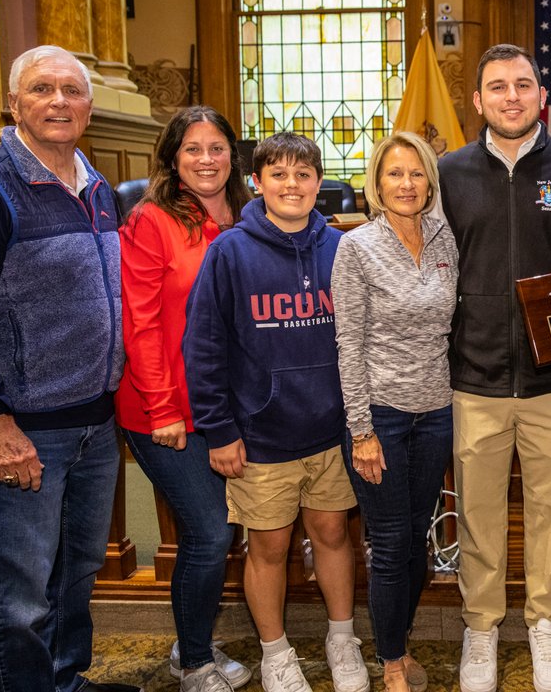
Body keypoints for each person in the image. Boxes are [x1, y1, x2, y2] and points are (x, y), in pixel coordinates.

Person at [0, 45, 139, 692]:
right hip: (23, 427)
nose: (58, 101)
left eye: (71, 90)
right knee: (18, 596)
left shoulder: (96, 183)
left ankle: (64, 682)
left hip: (91, 423)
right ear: (13, 102)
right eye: (40, 89)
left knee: (74, 576)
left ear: (88, 105)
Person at [183, 133, 369, 692]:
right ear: (257, 183)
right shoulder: (230, 252)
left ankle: (342, 638)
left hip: (331, 430)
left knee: (334, 533)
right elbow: (204, 347)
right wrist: (219, 430)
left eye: (304, 174)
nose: (293, 185)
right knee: (269, 546)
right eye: (279, 175)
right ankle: (276, 652)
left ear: (320, 184)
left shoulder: (341, 247)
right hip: (260, 434)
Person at [438, 44, 551, 692]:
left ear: (541, 97)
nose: (510, 96)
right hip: (474, 376)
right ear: (477, 100)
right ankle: (481, 629)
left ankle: (546, 625)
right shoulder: (447, 173)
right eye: (497, 86)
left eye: (522, 85)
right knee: (478, 512)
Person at [115, 106, 253, 692]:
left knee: (220, 532)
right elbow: (140, 322)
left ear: (232, 155)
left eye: (216, 147)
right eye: (192, 148)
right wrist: (164, 408)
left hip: (226, 407)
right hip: (163, 409)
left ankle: (194, 641)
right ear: (173, 158)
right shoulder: (152, 220)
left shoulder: (250, 214)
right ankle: (192, 661)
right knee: (207, 531)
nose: (206, 159)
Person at [332, 132, 458, 692]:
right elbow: (348, 345)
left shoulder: (443, 236)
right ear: (376, 184)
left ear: (429, 180)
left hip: (436, 412)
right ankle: (390, 664)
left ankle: (398, 641)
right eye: (394, 174)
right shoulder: (356, 247)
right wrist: (361, 430)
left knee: (415, 539)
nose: (405, 184)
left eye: (415, 173)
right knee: (387, 543)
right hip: (378, 415)